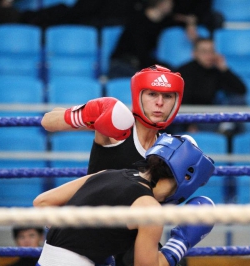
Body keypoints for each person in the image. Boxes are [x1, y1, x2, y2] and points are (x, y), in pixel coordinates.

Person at [41, 64, 185, 265]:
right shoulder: (117, 128)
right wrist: (86, 114)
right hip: (90, 238)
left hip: (130, 241)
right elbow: (48, 121)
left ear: (176, 101)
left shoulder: (170, 152)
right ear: (138, 95)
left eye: (167, 96)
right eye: (152, 94)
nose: (159, 103)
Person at [34, 133, 216, 266]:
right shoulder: (149, 208)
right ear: (187, 177)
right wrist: (179, 244)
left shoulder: (108, 174)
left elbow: (42, 203)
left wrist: (83, 243)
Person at [172, 37, 247, 134]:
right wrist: (188, 124)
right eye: (204, 51)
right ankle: (225, 127)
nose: (209, 55)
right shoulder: (183, 72)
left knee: (238, 100)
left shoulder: (217, 71)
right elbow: (179, 103)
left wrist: (224, 69)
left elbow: (241, 90)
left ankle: (225, 126)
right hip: (190, 118)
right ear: (194, 54)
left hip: (211, 115)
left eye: (212, 51)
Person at [108, 0, 198, 78]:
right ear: (162, 4)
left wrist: (190, 24)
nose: (172, 5)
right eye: (170, 2)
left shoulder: (161, 21)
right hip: (123, 64)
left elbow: (178, 20)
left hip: (140, 64)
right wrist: (165, 68)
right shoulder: (138, 23)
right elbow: (141, 55)